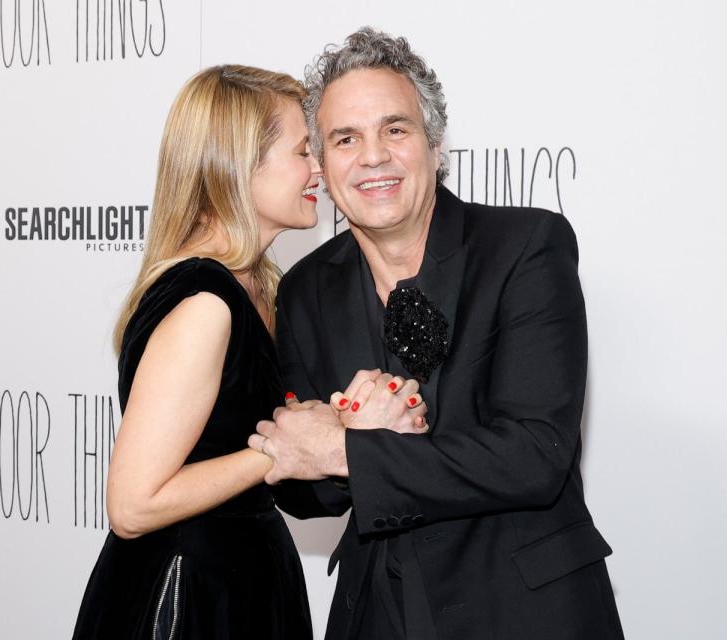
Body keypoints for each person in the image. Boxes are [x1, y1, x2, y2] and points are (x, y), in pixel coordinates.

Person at [249, 28, 626, 640]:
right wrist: (320, 448)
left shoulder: (526, 249)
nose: (373, 157)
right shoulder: (305, 288)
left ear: (434, 143)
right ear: (321, 159)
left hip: (524, 610)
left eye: (395, 129)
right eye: (346, 138)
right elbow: (307, 492)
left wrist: (344, 447)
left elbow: (535, 455)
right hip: (378, 610)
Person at [72, 64, 333, 640]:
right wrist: (281, 454)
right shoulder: (204, 304)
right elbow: (133, 506)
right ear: (240, 165)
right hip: (187, 599)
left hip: (245, 582)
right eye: (301, 150)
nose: (319, 168)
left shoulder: (262, 288)